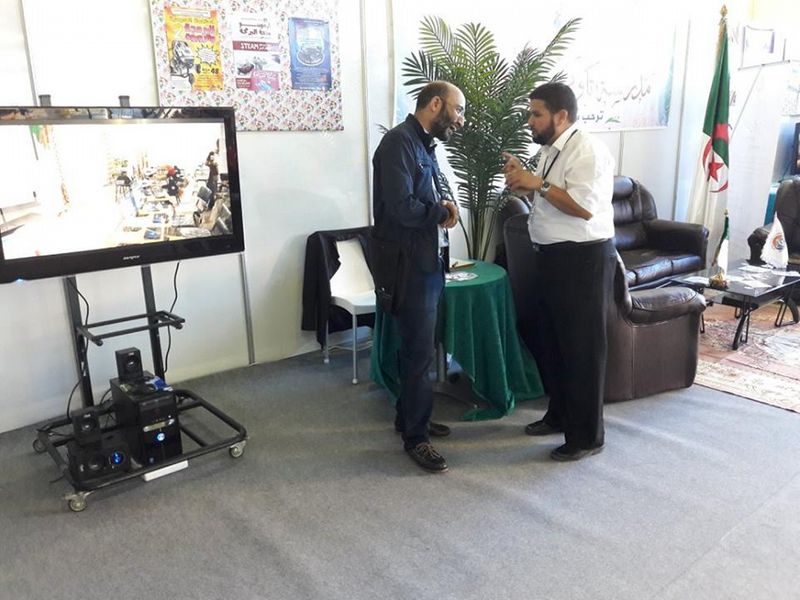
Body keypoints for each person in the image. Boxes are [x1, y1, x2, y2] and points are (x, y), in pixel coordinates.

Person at [502, 82, 616, 461]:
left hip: (583, 259)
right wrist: (525, 181)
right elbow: (550, 197)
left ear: (561, 115)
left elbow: (583, 207)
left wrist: (539, 183)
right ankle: (560, 415)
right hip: (552, 257)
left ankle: (587, 437)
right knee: (552, 341)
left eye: (536, 114)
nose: (529, 121)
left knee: (582, 349)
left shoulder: (588, 150)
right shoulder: (550, 149)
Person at [372, 81, 464, 472]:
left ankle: (409, 417)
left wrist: (444, 204)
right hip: (409, 265)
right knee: (418, 352)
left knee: (418, 348)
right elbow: (402, 208)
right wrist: (441, 213)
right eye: (458, 110)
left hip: (427, 261)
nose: (460, 120)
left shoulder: (424, 144)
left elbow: (424, 196)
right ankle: (416, 437)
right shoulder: (399, 143)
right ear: (436, 104)